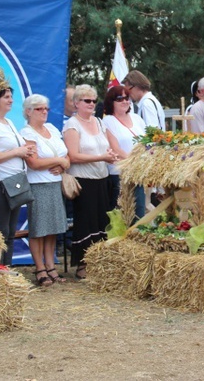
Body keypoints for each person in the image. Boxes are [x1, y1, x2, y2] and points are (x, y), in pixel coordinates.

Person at [63, 84, 126, 280]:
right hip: (83, 179)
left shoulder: (99, 122)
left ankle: (98, 262)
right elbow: (73, 155)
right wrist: (101, 157)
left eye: (93, 101)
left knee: (101, 220)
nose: (91, 104)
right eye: (86, 101)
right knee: (86, 221)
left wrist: (111, 155)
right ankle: (82, 265)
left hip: (102, 178)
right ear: (76, 104)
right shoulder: (72, 125)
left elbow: (106, 148)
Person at [0, 87, 36, 266]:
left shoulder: (8, 122)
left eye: (11, 97)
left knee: (10, 231)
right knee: (0, 231)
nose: (11, 100)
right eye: (6, 97)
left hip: (14, 182)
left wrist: (25, 151)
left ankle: (6, 269)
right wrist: (17, 151)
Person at [21, 94, 70, 286]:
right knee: (39, 228)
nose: (44, 112)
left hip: (55, 182)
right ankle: (40, 268)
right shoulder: (27, 133)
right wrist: (58, 161)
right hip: (38, 184)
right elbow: (33, 162)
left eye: (46, 109)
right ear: (28, 112)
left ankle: (51, 266)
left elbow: (65, 155)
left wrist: (63, 164)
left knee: (52, 228)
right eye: (39, 109)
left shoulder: (51, 128)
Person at [102, 85, 147, 220]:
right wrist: (133, 162)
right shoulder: (108, 121)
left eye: (127, 98)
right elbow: (115, 148)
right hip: (120, 174)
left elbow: (147, 142)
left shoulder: (137, 119)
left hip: (139, 172)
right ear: (112, 102)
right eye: (120, 98)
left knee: (139, 211)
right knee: (123, 214)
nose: (125, 101)